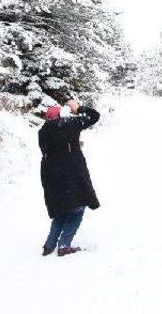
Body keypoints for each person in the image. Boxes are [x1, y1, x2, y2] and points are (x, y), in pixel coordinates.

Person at [38, 98, 101, 257]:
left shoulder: (42, 131)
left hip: (50, 174)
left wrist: (74, 143)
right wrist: (78, 108)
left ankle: (49, 245)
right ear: (61, 115)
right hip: (69, 174)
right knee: (77, 209)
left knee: (61, 210)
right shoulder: (68, 125)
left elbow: (56, 145)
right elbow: (93, 116)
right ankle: (64, 245)